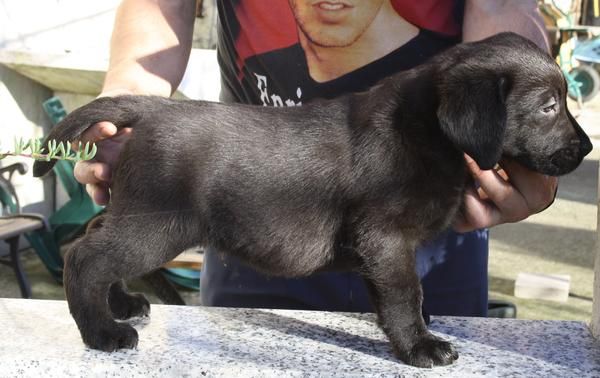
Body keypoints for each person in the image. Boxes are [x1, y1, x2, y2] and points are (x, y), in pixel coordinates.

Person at [74, 0, 557, 316]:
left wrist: (533, 135)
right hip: (253, 201)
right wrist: (128, 96)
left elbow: (500, 4)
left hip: (432, 223)